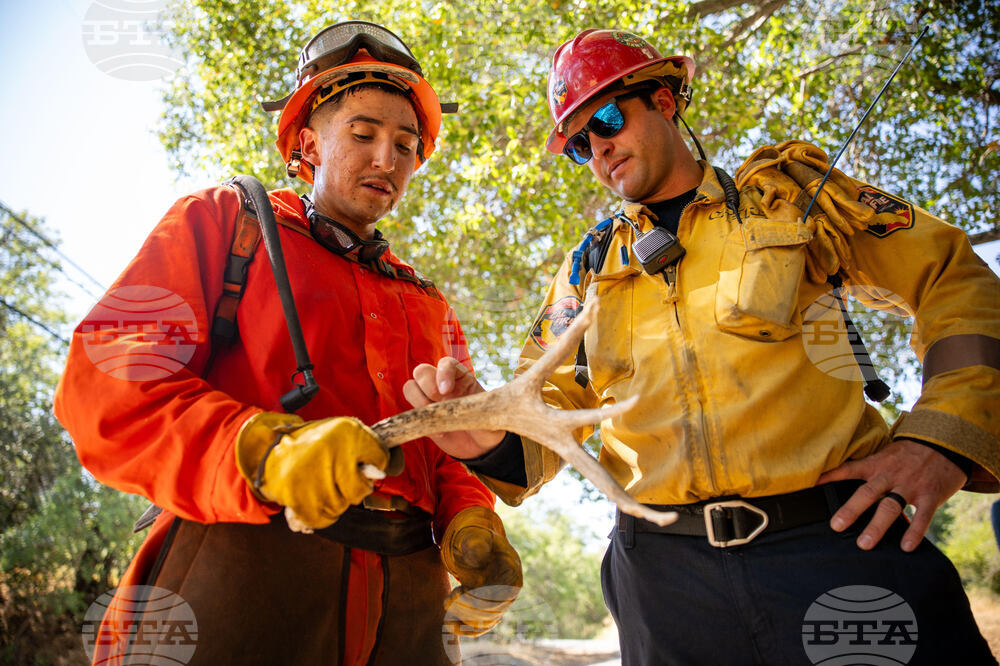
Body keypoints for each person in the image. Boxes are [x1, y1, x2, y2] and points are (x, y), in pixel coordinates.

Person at [409, 28, 1000, 664]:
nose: (600, 147)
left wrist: (942, 436)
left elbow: (953, 281)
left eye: (608, 117)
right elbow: (549, 402)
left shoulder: (792, 199)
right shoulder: (587, 268)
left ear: (664, 100)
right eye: (580, 143)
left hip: (836, 548)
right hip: (664, 586)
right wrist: (490, 437)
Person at [54, 21, 520, 665]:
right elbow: (107, 386)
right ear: (309, 142)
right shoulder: (224, 223)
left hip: (409, 604)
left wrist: (473, 520)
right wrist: (264, 450)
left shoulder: (427, 302)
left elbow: (446, 450)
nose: (387, 159)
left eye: (406, 145)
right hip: (242, 565)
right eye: (363, 134)